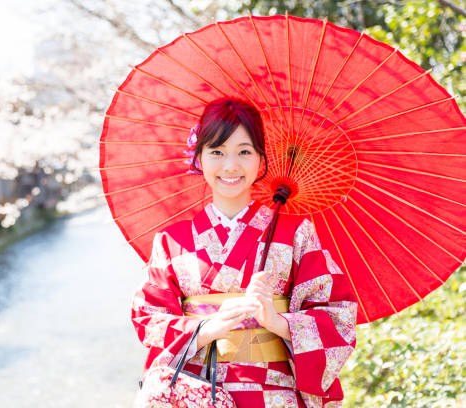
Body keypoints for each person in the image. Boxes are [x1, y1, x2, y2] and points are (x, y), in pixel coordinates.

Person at [131, 97, 357, 408]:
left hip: (275, 394)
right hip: (197, 393)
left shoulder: (296, 233)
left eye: (244, 152)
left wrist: (278, 321)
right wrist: (205, 328)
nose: (230, 166)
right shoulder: (172, 240)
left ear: (261, 160)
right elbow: (150, 319)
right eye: (217, 152)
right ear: (198, 158)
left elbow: (338, 318)